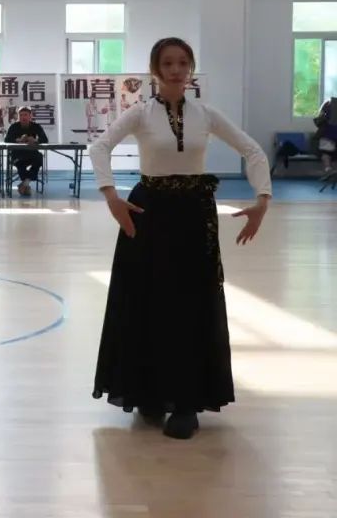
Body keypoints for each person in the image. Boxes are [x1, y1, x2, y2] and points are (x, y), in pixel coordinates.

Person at [89, 37, 271, 440]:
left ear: (190, 68)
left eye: (183, 62)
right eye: (168, 63)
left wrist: (263, 199)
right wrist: (111, 196)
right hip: (147, 214)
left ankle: (187, 402)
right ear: (155, 70)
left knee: (191, 304)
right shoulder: (140, 113)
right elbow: (99, 148)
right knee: (147, 301)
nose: (176, 70)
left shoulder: (206, 115)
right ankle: (150, 391)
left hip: (193, 216)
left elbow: (253, 151)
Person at [4, 107, 49, 196]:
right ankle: (26, 185)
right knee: (21, 164)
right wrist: (18, 140)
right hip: (17, 154)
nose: (23, 117)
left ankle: (25, 184)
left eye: (25, 115)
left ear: (30, 116)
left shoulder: (36, 126)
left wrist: (35, 140)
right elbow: (7, 140)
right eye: (21, 115)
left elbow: (45, 139)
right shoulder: (14, 126)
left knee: (39, 157)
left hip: (31, 153)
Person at [313, 96, 336, 175]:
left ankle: (328, 169)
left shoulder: (328, 104)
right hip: (330, 133)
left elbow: (320, 118)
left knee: (326, 153)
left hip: (327, 134)